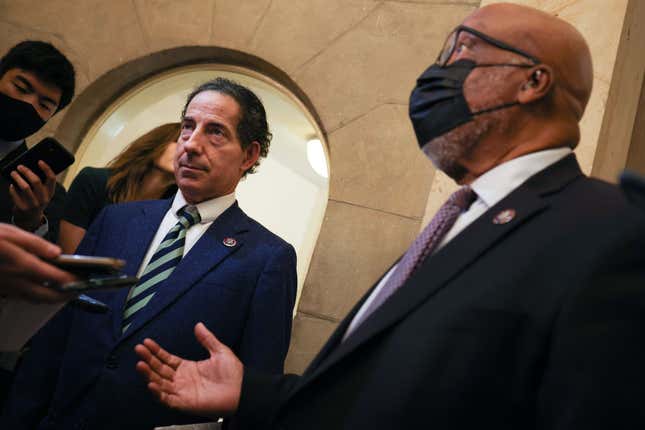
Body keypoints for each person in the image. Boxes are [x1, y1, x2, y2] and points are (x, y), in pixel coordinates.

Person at [135, 4, 645, 429]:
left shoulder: (610, 234)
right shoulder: (461, 221)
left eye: (461, 51)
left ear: (532, 82)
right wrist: (257, 396)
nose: (435, 74)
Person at [3, 78, 298, 430]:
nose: (191, 144)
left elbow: (253, 393)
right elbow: (55, 337)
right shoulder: (116, 220)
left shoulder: (267, 258)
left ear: (249, 155)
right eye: (188, 126)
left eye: (215, 132)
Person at [59, 122, 180, 253]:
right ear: (158, 142)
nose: (186, 153)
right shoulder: (94, 180)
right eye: (180, 142)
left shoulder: (174, 206)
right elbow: (71, 254)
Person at [0, 40, 76, 242]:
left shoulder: (43, 194)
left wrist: (30, 222)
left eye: (45, 105)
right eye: (21, 88)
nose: (28, 104)